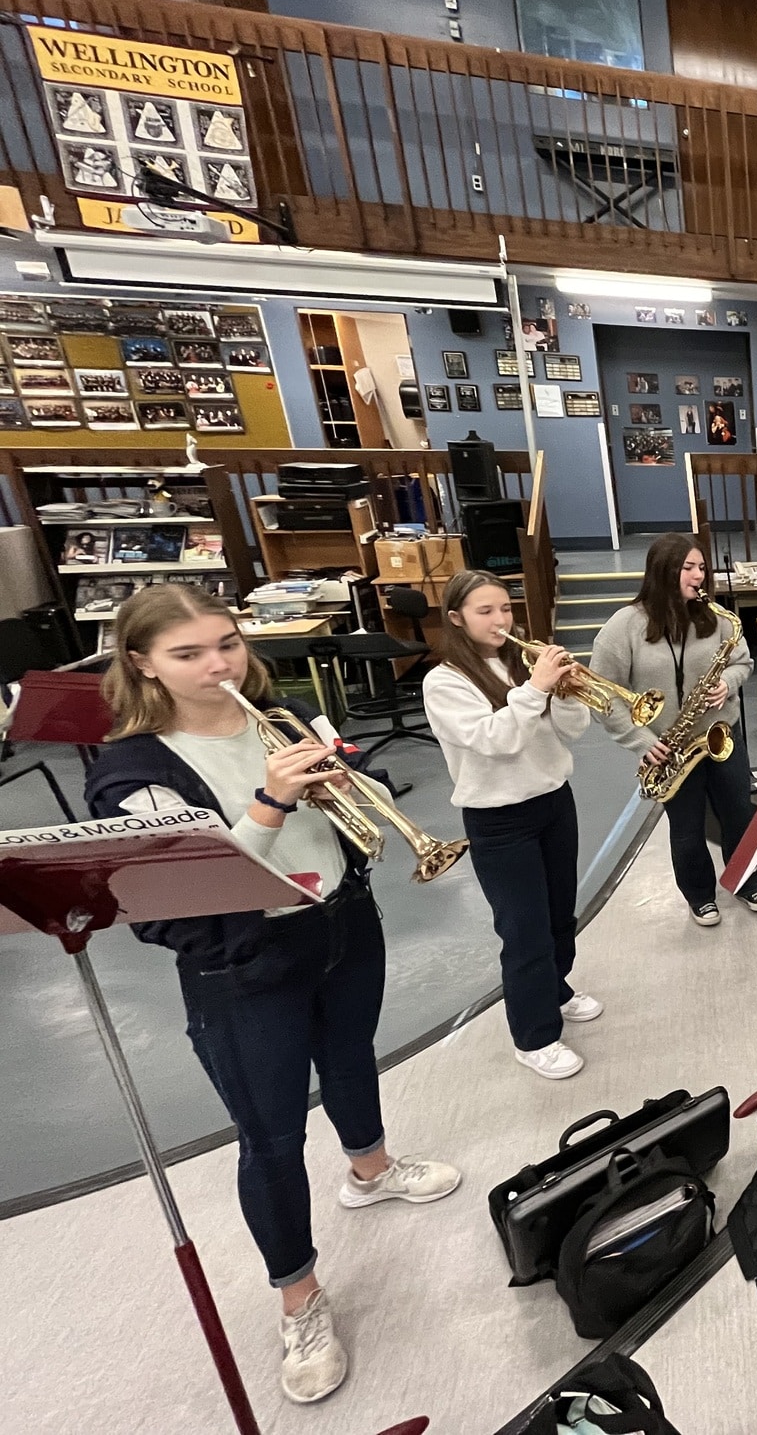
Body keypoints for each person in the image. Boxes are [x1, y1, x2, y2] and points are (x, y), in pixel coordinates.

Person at [84, 585, 460, 1406]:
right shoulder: (133, 769)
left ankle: (369, 1169)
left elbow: (361, 811)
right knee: (272, 1134)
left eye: (226, 643)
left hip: (341, 923)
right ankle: (300, 1296)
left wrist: (350, 792)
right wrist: (271, 799)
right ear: (142, 662)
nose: (219, 664)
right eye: (188, 654)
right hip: (242, 965)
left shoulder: (282, 715)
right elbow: (180, 898)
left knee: (354, 1058)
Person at [425, 569, 603, 1078]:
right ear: (457, 619)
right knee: (523, 931)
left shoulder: (520, 664)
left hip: (553, 801)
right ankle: (534, 1036)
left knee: (559, 915)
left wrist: (566, 695)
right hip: (498, 819)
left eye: (505, 608)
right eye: (486, 611)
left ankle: (555, 987)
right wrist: (536, 688)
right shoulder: (444, 681)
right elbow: (493, 740)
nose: (501, 620)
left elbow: (569, 733)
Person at [589, 534, 757, 926]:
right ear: (663, 572)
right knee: (686, 829)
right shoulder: (624, 626)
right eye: (688, 568)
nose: (698, 575)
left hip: (722, 735)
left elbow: (743, 662)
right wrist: (640, 740)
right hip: (669, 748)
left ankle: (747, 880)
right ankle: (700, 895)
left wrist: (730, 682)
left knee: (739, 814)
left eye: (701, 567)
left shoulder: (717, 617)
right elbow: (602, 694)